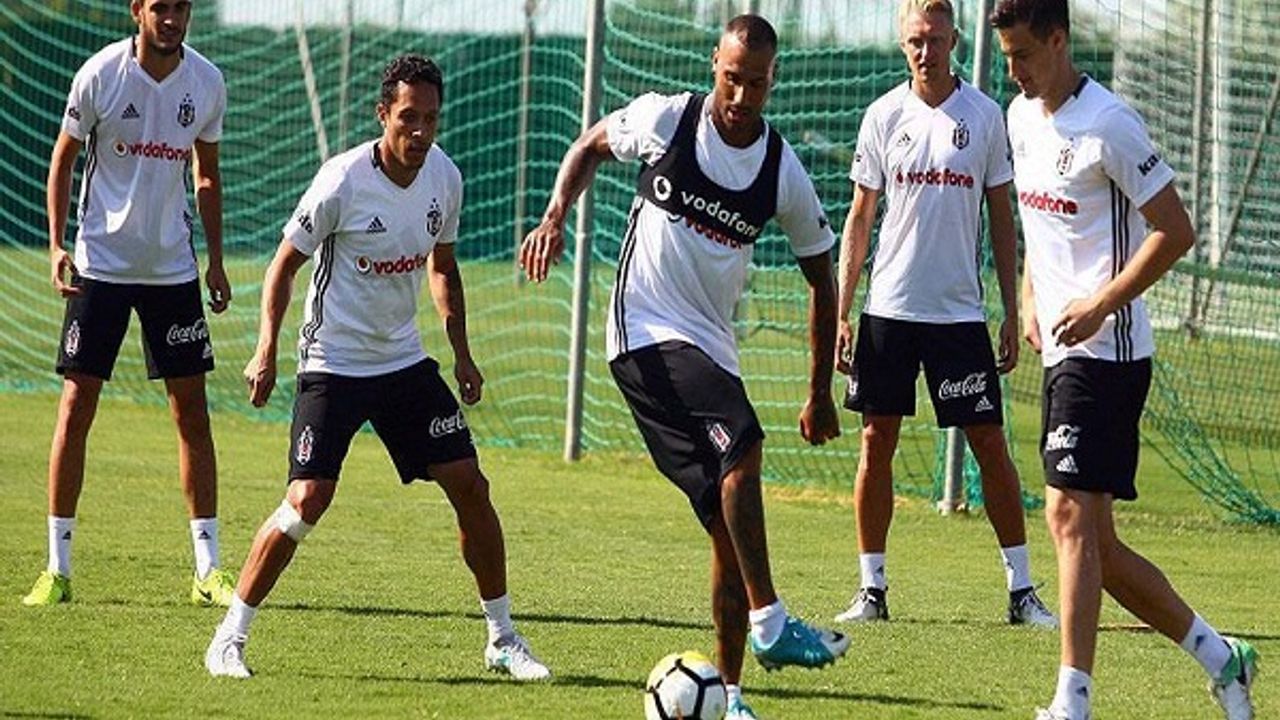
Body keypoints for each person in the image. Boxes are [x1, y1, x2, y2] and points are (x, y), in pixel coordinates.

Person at [520, 15, 849, 720]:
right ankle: (770, 621)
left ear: (773, 80)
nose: (741, 95)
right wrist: (554, 215)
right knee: (743, 439)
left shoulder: (780, 168)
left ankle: (729, 698)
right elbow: (588, 146)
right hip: (642, 331)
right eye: (731, 78)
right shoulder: (668, 121)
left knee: (730, 530)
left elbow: (822, 278)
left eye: (755, 82)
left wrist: (820, 391)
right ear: (713, 66)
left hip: (709, 347)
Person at [203, 55, 549, 682]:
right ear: (383, 114)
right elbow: (284, 266)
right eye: (408, 117)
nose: (420, 132)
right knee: (307, 500)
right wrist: (265, 350)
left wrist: (462, 354)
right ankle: (229, 637)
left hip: (402, 362)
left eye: (431, 119)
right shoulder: (342, 181)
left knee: (471, 486)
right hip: (332, 362)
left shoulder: (445, 177)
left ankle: (502, 637)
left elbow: (442, 268)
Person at [991, 2, 1259, 718]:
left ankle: (1071, 703)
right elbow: (1038, 226)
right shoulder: (1020, 118)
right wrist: (1029, 298)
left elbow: (1175, 230)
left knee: (1067, 519)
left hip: (1108, 355)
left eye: (1024, 55)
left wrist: (1101, 303)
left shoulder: (1110, 123)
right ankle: (1223, 659)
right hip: (1063, 354)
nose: (1014, 71)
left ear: (1059, 40)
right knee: (1096, 548)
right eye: (1006, 57)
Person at [832, 0, 1055, 629]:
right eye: (914, 41)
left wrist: (1010, 307)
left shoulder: (984, 116)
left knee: (989, 443)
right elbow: (860, 217)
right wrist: (842, 311)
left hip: (959, 317)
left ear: (954, 39)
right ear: (902, 44)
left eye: (934, 39)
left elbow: (1003, 216)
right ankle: (871, 589)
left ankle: (1022, 592)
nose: (924, 51)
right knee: (875, 442)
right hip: (889, 310)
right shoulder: (882, 115)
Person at [24, 0, 236, 608]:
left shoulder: (207, 82)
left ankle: (208, 570)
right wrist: (57, 244)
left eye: (182, 7)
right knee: (75, 407)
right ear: (136, 10)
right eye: (160, 6)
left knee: (192, 414)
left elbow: (207, 176)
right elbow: (63, 158)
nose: (172, 18)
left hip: (172, 271)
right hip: (101, 267)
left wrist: (215, 260)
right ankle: (58, 569)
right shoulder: (100, 74)